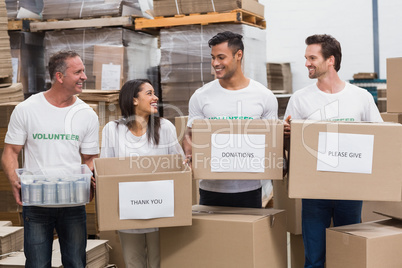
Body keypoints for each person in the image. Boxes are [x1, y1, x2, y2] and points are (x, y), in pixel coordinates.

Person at [284, 34, 383, 268]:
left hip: (350, 191)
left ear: (330, 60)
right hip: (314, 192)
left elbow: (380, 137)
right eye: (306, 57)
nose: (307, 63)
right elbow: (289, 145)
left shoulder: (360, 97)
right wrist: (286, 134)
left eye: (312, 57)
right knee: (314, 258)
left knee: (349, 257)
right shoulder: (300, 99)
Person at [1, 50, 99, 267]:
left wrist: (91, 175)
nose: (84, 76)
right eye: (78, 72)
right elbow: (10, 151)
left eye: (84, 71)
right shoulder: (27, 109)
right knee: (37, 263)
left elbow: (90, 157)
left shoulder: (86, 114)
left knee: (75, 262)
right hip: (37, 203)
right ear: (59, 76)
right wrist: (13, 179)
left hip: (73, 202)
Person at [182, 31, 278, 208]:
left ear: (238, 55)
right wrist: (189, 156)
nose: (215, 63)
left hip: (250, 189)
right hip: (211, 188)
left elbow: (272, 141)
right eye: (212, 58)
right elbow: (189, 135)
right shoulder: (201, 96)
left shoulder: (263, 96)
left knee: (247, 236)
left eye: (220, 57)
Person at [100, 79, 184, 268]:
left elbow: (180, 167)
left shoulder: (165, 128)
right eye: (149, 93)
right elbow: (106, 173)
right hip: (129, 211)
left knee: (159, 263)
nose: (155, 98)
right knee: (133, 262)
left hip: (161, 210)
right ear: (134, 99)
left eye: (154, 93)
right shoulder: (113, 130)